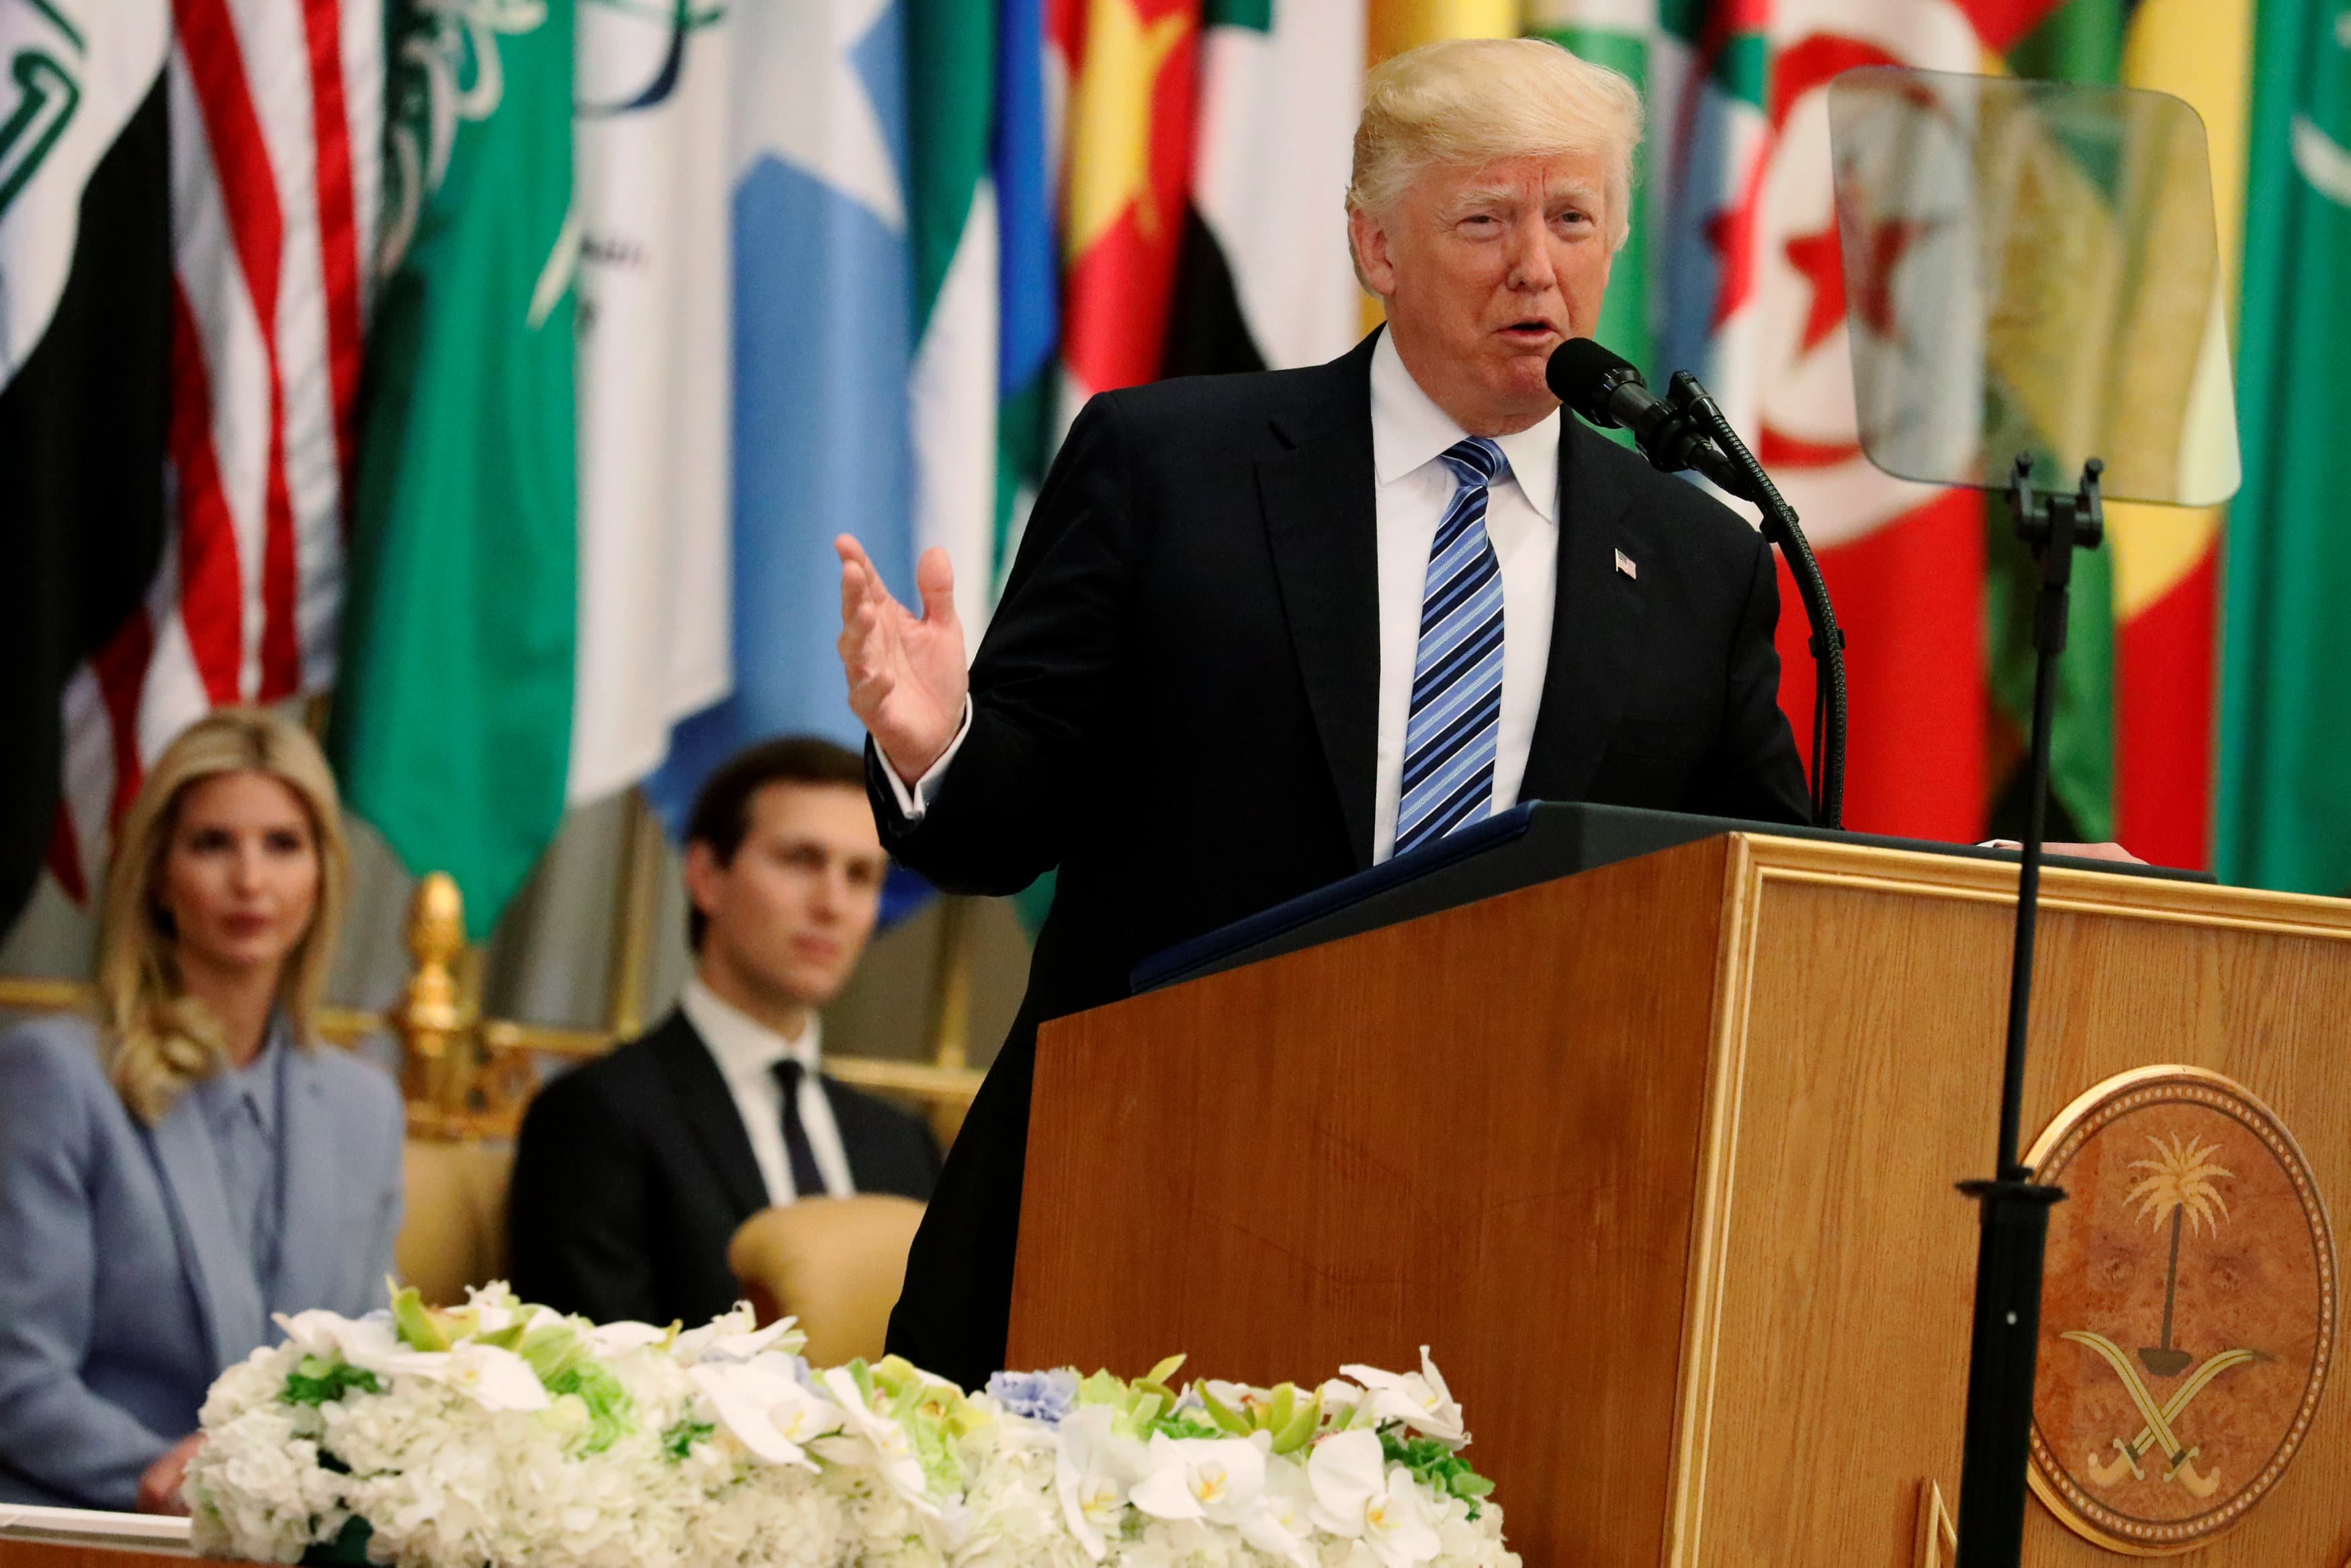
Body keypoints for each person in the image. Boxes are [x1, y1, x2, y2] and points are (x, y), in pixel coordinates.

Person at [832, 37, 1811, 1391]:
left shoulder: (1700, 557)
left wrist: (1949, 902)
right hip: (1147, 1187)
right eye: (1486, 219)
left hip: (1509, 1252)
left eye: (1573, 218)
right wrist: (938, 744)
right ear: (1376, 245)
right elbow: (1003, 833)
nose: (1537, 267)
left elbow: (1753, 896)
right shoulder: (1170, 464)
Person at [0, 708, 405, 1512]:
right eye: (213, 843)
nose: (251, 880)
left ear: (323, 874)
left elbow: (366, 1372)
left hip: (289, 1539)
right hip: (84, 1527)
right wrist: (196, 1479)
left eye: (283, 844)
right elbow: (16, 1372)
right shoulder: (57, 1074)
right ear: (157, 872)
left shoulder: (366, 1107)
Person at [508, 737, 941, 1328]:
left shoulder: (902, 1145)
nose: (833, 904)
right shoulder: (596, 1118)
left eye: (861, 874)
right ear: (707, 875)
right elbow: (600, 1369)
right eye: (801, 859)